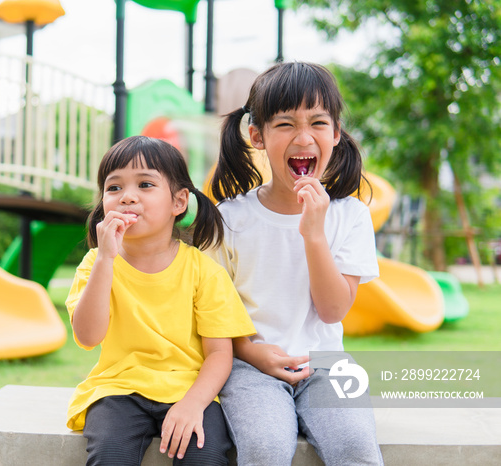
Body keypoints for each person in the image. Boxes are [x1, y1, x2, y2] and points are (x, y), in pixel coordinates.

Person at [206, 62, 383, 465]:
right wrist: (252, 354)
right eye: (285, 124)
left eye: (318, 123)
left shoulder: (350, 216)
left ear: (336, 134)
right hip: (249, 366)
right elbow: (212, 316)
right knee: (265, 448)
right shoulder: (229, 219)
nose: (304, 138)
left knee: (356, 447)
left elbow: (333, 309)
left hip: (326, 362)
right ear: (258, 136)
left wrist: (313, 233)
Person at [66, 135, 255, 465]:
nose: (127, 197)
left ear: (179, 202)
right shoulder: (96, 264)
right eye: (114, 188)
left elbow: (220, 354)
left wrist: (194, 404)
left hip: (191, 388)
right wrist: (106, 260)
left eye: (145, 184)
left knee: (206, 457)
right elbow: (87, 336)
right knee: (110, 455)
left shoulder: (203, 271)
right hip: (117, 389)